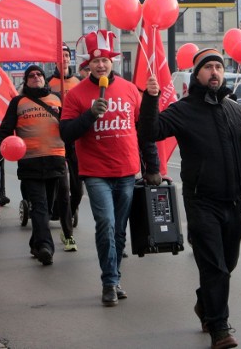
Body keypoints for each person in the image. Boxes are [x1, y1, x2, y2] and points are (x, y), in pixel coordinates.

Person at [138, 48, 241, 349]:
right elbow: (150, 130)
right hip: (202, 201)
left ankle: (204, 301)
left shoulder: (235, 109)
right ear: (197, 75)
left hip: (234, 202)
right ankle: (219, 328)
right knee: (215, 267)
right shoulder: (184, 110)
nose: (214, 73)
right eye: (208, 67)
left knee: (228, 263)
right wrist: (151, 99)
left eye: (218, 68)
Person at [60, 29, 161, 307]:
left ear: (112, 62)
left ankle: (116, 278)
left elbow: (145, 131)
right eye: (95, 61)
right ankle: (108, 281)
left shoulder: (130, 89)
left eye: (105, 60)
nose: (101, 65)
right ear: (87, 65)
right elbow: (66, 133)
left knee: (118, 229)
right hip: (95, 173)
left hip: (127, 171)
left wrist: (153, 166)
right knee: (105, 224)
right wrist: (90, 115)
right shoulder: (77, 95)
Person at [0, 64, 66, 266]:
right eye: (31, 75)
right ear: (26, 81)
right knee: (40, 207)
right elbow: (5, 129)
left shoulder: (58, 100)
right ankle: (45, 247)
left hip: (55, 159)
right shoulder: (18, 102)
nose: (36, 77)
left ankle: (36, 243)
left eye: (39, 74)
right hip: (30, 162)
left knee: (48, 208)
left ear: (44, 78)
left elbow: (69, 127)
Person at [48, 42, 81, 252]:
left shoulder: (78, 82)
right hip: (55, 139)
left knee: (77, 189)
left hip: (76, 139)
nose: (64, 58)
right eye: (60, 55)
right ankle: (65, 227)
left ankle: (68, 208)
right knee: (62, 187)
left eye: (67, 54)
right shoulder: (48, 83)